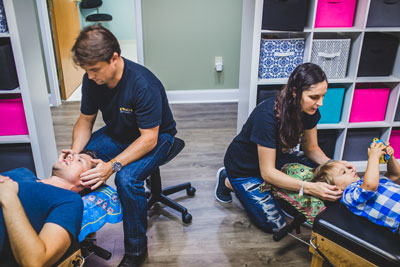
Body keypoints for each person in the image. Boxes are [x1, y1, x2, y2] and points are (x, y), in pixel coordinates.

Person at [68, 25, 176, 267]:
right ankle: (82, 234)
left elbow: (148, 138)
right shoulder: (92, 79)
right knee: (79, 165)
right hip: (119, 131)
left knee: (126, 179)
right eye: (87, 71)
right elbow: (85, 121)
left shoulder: (142, 84)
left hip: (158, 137)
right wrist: (75, 154)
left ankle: (137, 252)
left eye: (95, 70)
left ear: (114, 58)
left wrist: (111, 166)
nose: (91, 76)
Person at [215, 63, 354, 233]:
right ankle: (227, 180)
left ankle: (274, 189)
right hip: (246, 169)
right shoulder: (266, 117)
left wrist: (335, 165)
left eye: (323, 96)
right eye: (314, 97)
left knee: (322, 177)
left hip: (278, 159)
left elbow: (311, 148)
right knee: (275, 225)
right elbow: (267, 172)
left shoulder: (310, 111)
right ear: (295, 92)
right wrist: (308, 187)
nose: (321, 103)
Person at [0, 150, 97, 267]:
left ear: (88, 179)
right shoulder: (23, 172)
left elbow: (35, 262)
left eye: (79, 160)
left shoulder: (70, 200)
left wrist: (9, 197)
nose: (70, 156)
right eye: (71, 155)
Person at [313, 141, 400, 234]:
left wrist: (390, 157)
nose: (350, 170)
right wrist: (373, 157)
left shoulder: (368, 179)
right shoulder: (349, 195)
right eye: (343, 172)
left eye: (347, 168)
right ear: (335, 188)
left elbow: (395, 174)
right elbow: (370, 186)